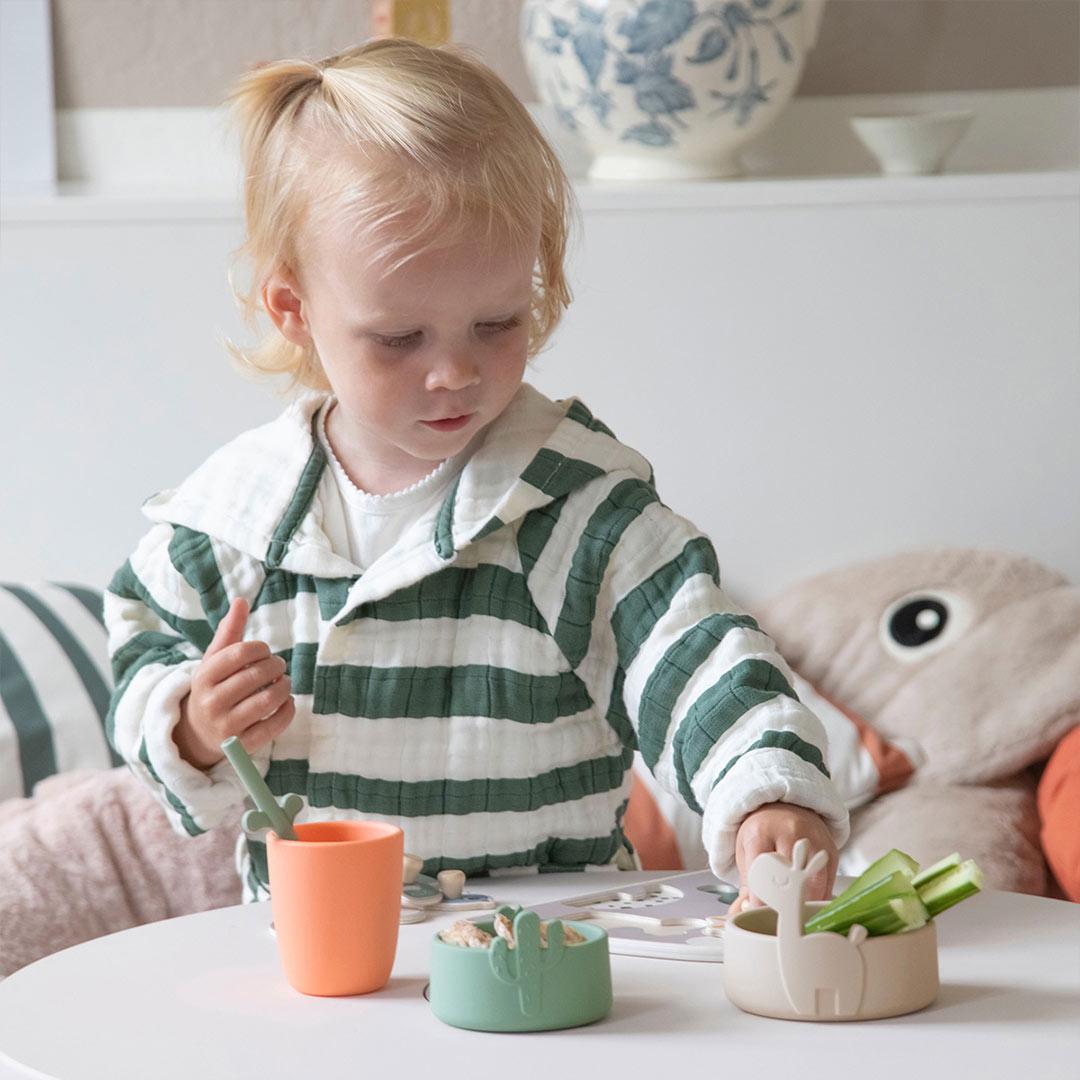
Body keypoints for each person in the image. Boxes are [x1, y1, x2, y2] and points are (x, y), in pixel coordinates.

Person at [104, 37, 849, 913]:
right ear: (295, 309)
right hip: (325, 962)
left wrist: (768, 787)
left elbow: (697, 654)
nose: (453, 373)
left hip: (552, 955)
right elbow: (142, 655)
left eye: (496, 323)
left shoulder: (575, 507)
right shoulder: (232, 526)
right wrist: (191, 726)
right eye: (399, 339)